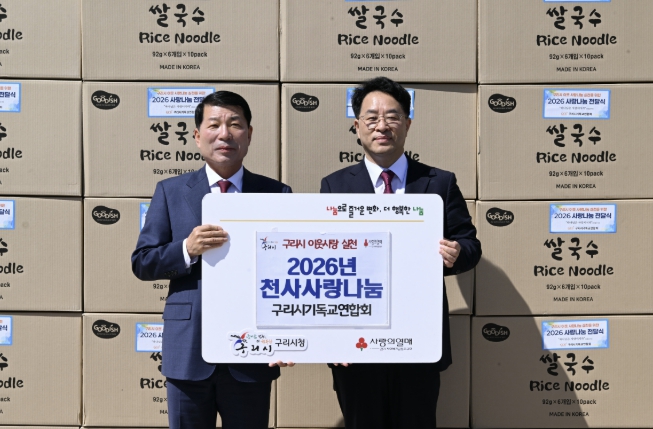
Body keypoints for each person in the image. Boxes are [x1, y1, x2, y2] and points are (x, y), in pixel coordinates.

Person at [320, 77, 481, 429]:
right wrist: (331, 337)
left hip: (417, 339)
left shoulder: (439, 182)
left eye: (392, 117)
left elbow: (470, 244)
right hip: (356, 341)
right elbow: (325, 263)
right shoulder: (335, 185)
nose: (382, 126)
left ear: (407, 124)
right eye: (372, 117)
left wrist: (457, 252)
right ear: (357, 126)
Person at [132, 91, 293, 429]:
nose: (225, 134)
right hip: (188, 350)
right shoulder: (171, 191)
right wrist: (186, 249)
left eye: (235, 124)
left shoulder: (277, 194)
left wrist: (287, 337)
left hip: (252, 353)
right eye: (214, 124)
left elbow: (290, 274)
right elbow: (142, 262)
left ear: (249, 134)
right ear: (197, 135)